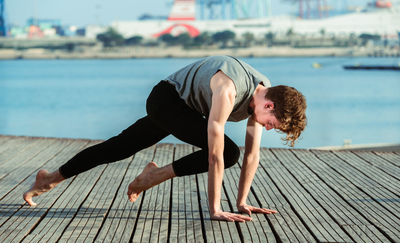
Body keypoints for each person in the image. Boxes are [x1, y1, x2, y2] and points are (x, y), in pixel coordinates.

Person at [23, 55, 307, 222]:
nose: (268, 128)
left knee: (117, 147)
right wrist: (216, 208)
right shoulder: (229, 89)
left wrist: (242, 202)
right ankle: (152, 176)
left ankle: (48, 178)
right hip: (166, 100)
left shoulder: (264, 93)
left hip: (188, 109)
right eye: (272, 124)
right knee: (226, 152)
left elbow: (252, 154)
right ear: (268, 106)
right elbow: (215, 154)